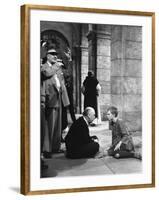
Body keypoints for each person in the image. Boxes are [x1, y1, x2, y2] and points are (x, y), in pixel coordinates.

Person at [41, 49, 70, 157]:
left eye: (56, 54)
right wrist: (56, 66)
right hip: (50, 99)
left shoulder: (57, 68)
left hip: (59, 98)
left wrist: (66, 100)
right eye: (52, 54)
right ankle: (47, 150)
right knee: (50, 126)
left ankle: (55, 147)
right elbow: (46, 73)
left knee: (58, 126)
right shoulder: (45, 66)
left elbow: (62, 81)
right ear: (47, 56)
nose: (55, 56)